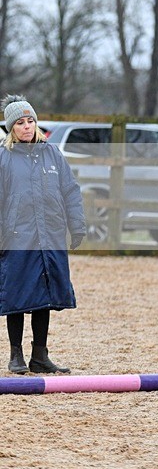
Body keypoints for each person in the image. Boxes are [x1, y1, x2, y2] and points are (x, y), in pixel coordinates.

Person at [0, 95, 85, 374]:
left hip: (49, 235)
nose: (26, 126)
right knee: (15, 295)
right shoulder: (4, 157)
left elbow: (70, 190)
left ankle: (40, 354)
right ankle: (15, 355)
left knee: (43, 296)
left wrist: (77, 225)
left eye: (31, 121)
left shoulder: (52, 154)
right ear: (11, 128)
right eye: (20, 122)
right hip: (16, 237)